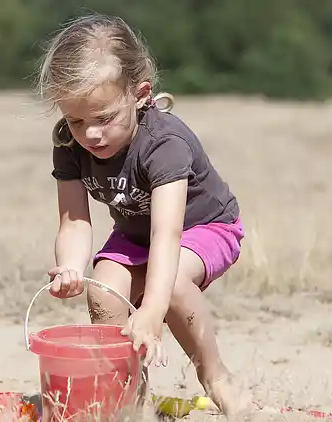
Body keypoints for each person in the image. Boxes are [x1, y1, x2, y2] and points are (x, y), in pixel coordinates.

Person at [35, 13, 254, 417]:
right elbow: (74, 221)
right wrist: (69, 266)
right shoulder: (68, 144)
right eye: (76, 120)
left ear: (139, 94)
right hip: (137, 234)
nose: (91, 134)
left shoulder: (164, 143)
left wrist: (151, 313)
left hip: (203, 228)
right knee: (102, 290)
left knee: (167, 286)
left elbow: (168, 235)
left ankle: (216, 377)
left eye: (104, 119)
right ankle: (129, 396)